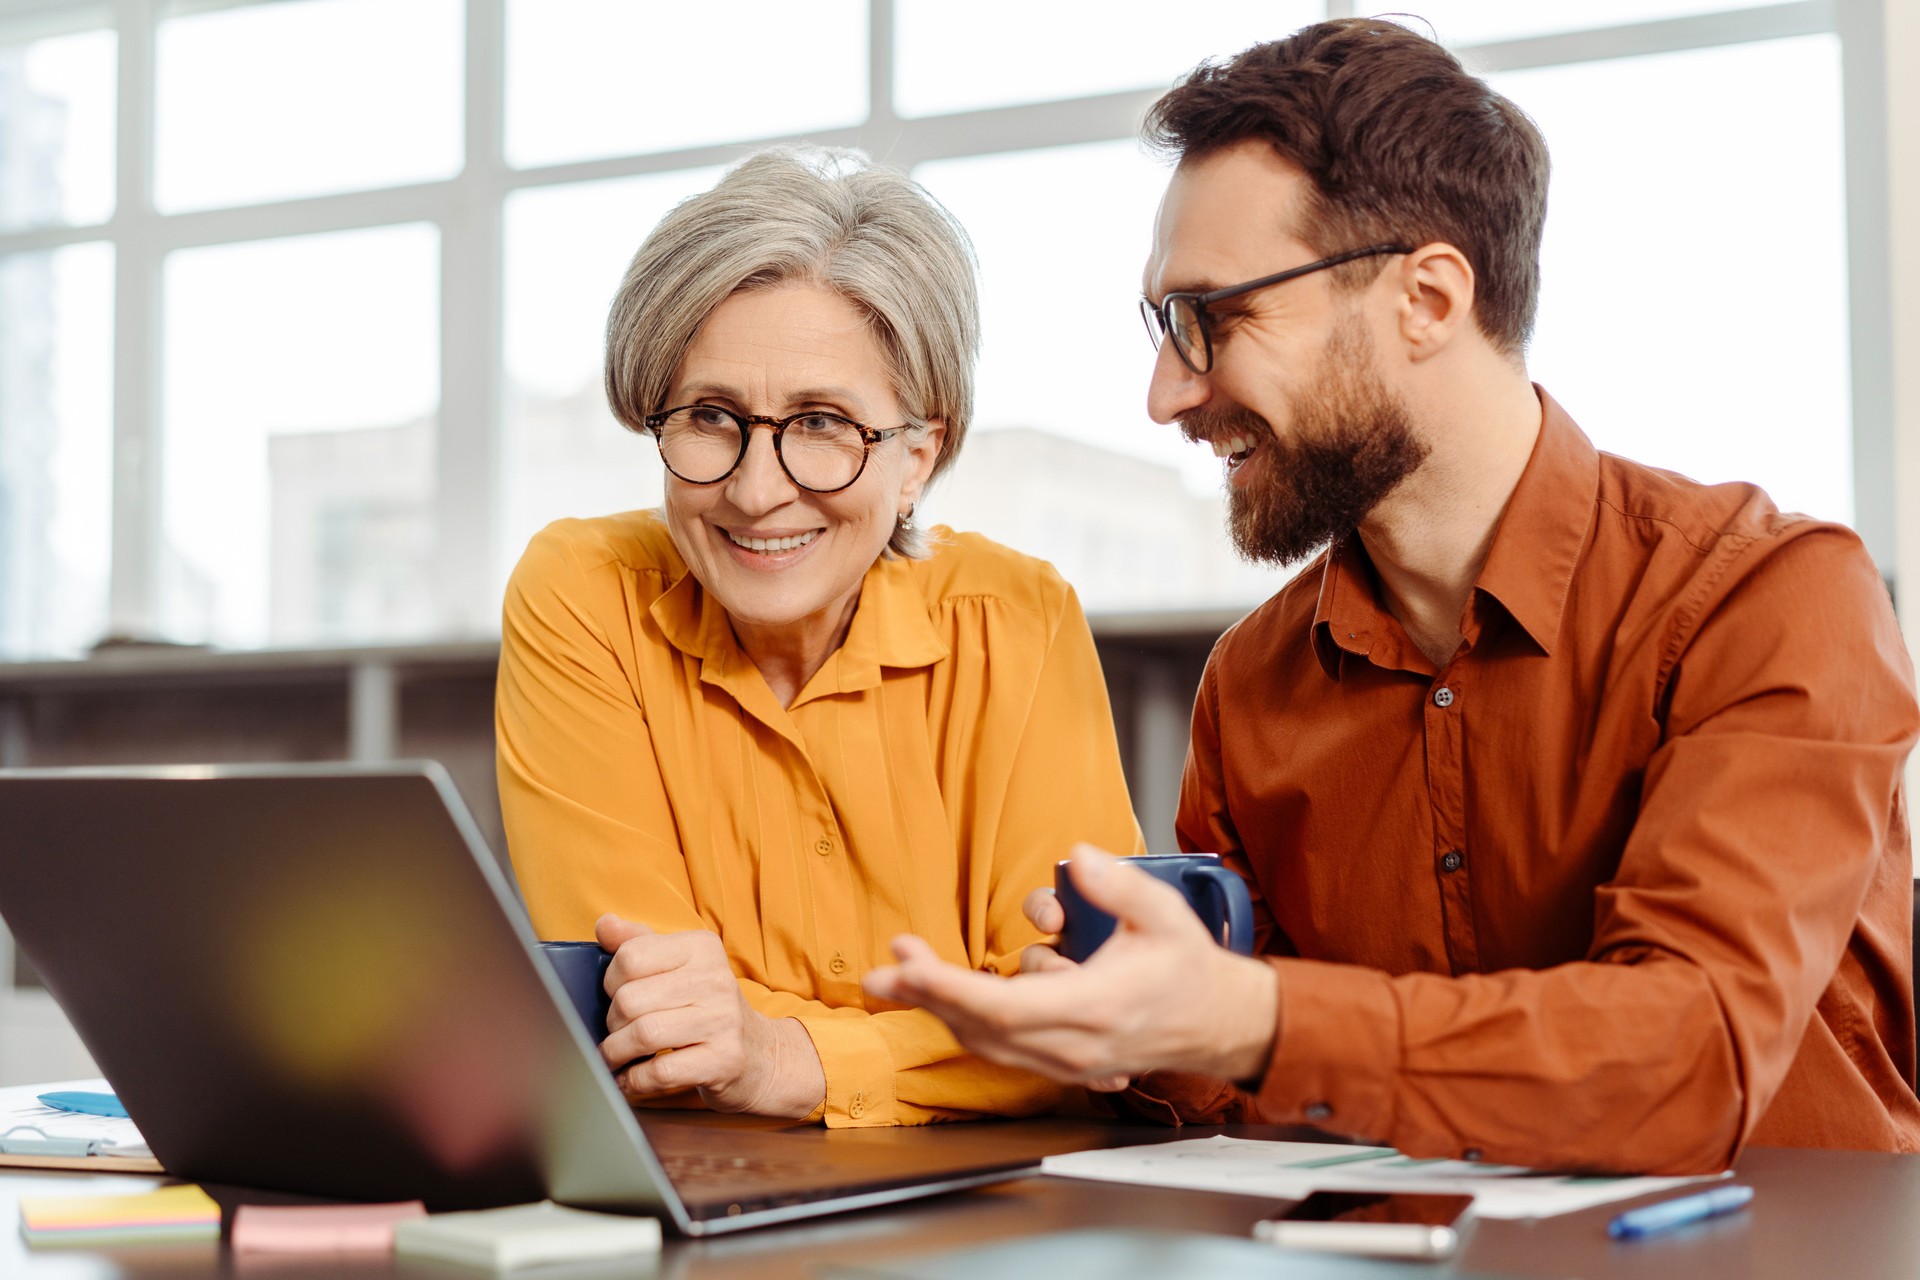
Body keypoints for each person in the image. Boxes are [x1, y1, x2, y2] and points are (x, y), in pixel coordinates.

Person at [865, 18, 1920, 1173]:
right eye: (1163, 326)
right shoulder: (1253, 683)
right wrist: (1132, 1026)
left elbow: (1689, 1051)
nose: (1167, 393)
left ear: (1426, 298)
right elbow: (1236, 1087)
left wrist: (1252, 1016)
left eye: (1212, 319)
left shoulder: (1769, 595)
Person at [496, 147, 1145, 1127]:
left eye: (823, 423)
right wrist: (964, 1043)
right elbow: (658, 1029)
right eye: (713, 417)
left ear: (918, 455)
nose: (757, 490)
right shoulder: (584, 597)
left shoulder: (1018, 620)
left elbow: (1084, 1030)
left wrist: (784, 1055)